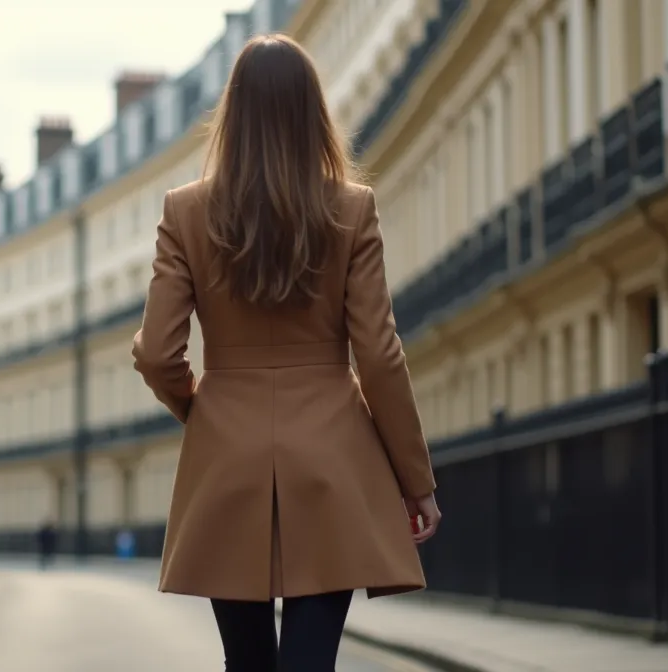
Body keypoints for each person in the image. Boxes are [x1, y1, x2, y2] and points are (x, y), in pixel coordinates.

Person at [131, 34, 441, 671]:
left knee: (246, 662)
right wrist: (416, 482)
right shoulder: (351, 208)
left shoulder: (184, 212)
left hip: (225, 459)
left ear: (233, 114)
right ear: (313, 113)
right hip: (333, 459)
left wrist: (201, 408)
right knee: (311, 662)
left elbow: (158, 354)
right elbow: (379, 355)